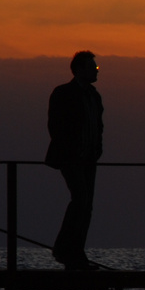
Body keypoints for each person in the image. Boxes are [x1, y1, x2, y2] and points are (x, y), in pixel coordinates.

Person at [45, 50, 104, 270]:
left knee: (86, 206)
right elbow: (55, 125)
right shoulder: (63, 93)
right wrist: (71, 149)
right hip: (71, 158)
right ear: (79, 70)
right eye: (92, 67)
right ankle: (64, 249)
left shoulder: (94, 96)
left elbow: (98, 126)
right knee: (80, 200)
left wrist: (97, 150)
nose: (96, 71)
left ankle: (75, 253)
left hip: (89, 160)